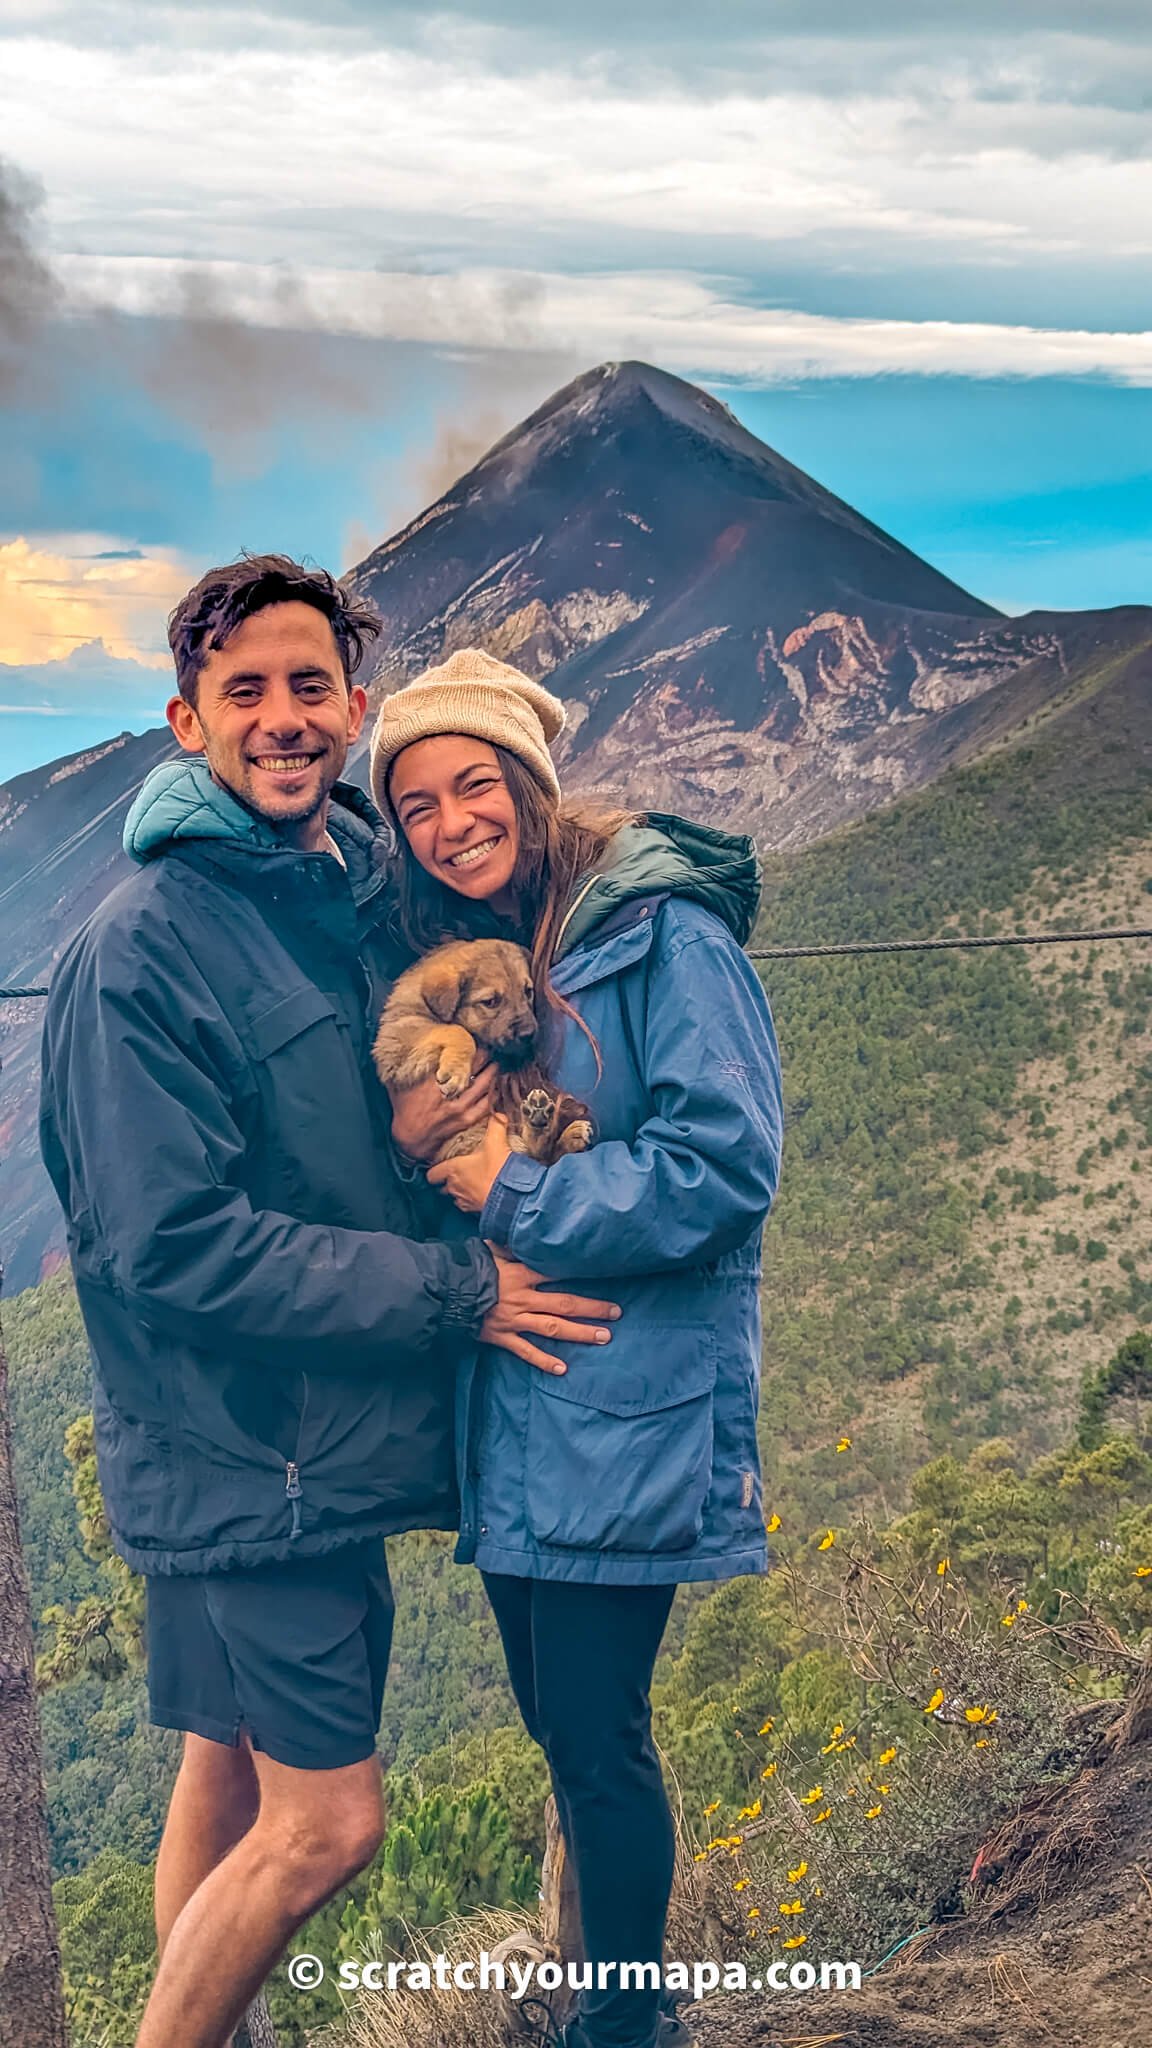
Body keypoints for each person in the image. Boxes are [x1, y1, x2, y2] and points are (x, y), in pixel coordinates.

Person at [38, 559, 620, 2048]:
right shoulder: (145, 947)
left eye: (311, 690)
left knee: (225, 1781)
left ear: (353, 709)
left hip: (289, 1445)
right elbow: (175, 1244)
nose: (284, 720)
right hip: (246, 1449)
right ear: (188, 723)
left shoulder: (342, 896)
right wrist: (460, 1289)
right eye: (247, 693)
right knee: (326, 1827)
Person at [370, 649, 784, 2048]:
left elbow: (727, 1166)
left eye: (472, 785)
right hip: (524, 1418)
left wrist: (516, 1193)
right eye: (415, 804)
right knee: (567, 1735)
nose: (448, 823)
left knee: (598, 1749)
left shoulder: (665, 933)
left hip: (631, 1406)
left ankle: (624, 2030)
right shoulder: (483, 962)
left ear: (530, 789)